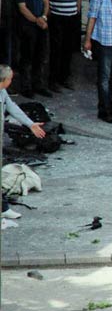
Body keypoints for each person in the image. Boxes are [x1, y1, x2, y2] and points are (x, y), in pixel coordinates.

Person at [0, 64, 46, 226]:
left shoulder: (2, 91)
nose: (12, 81)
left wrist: (30, 124)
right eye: (10, 78)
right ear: (3, 80)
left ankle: (3, 207)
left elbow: (12, 107)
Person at [13, 0, 51, 99]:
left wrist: (43, 17)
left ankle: (38, 85)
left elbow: (46, 1)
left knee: (40, 56)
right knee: (27, 57)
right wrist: (37, 20)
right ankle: (26, 87)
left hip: (42, 24)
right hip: (27, 27)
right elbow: (22, 7)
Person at [45, 0, 82, 93]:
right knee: (56, 50)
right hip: (56, 17)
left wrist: (78, 8)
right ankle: (52, 80)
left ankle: (64, 78)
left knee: (68, 49)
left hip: (72, 17)